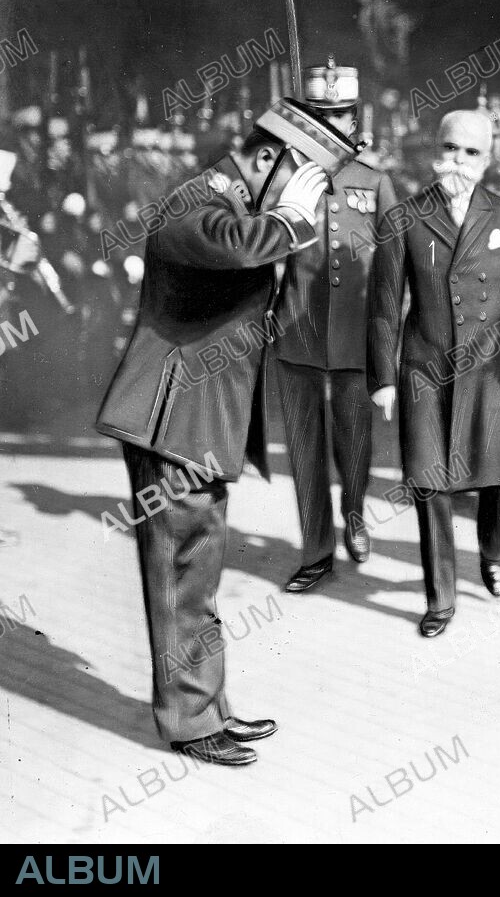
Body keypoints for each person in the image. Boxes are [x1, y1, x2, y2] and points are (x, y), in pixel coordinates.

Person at [96, 97, 333, 763]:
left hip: (197, 423)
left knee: (197, 571)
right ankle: (188, 720)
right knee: (179, 574)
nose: (305, 198)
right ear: (264, 159)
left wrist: (294, 225)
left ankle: (208, 706)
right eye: (300, 176)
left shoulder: (237, 204)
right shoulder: (196, 203)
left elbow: (275, 296)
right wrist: (290, 219)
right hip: (171, 421)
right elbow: (236, 246)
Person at [368, 110, 500, 638]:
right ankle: (440, 595)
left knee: (496, 477)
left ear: (488, 159)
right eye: (451, 149)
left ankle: (491, 551)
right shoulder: (407, 216)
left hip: (491, 367)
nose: (458, 162)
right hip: (426, 366)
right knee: (428, 480)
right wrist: (384, 378)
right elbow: (383, 302)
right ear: (434, 151)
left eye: (471, 153)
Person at [273, 60, 397, 592]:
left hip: (354, 331)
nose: (333, 126)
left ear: (355, 120)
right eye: (320, 116)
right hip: (297, 326)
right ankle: (316, 552)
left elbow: (393, 268)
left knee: (355, 437)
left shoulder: (375, 182)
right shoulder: (282, 178)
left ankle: (355, 511)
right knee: (304, 447)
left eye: (340, 117)